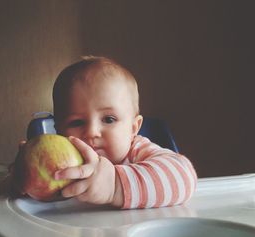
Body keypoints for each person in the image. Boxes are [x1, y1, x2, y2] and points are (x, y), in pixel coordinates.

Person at [13, 56, 197, 209]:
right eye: (77, 122)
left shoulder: (137, 151)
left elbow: (185, 178)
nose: (92, 132)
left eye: (109, 119)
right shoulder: (61, 169)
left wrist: (115, 185)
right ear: (59, 130)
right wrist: (23, 179)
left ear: (134, 128)